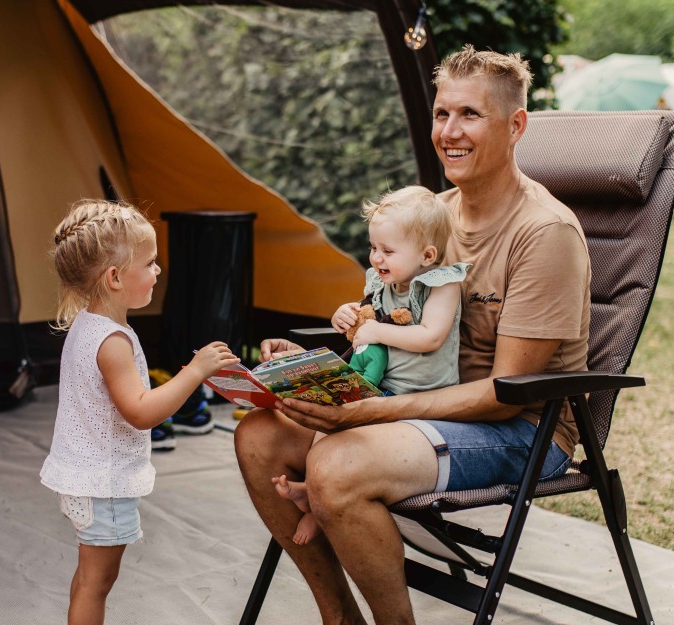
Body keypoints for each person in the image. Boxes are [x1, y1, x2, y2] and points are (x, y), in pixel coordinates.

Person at [235, 44, 590, 625]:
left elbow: (507, 396)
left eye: (470, 114)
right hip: (418, 409)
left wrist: (367, 415)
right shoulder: (429, 218)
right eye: (441, 113)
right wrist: (317, 364)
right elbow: (383, 331)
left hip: (523, 431)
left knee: (337, 468)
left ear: (516, 124)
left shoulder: (545, 233)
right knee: (258, 436)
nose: (449, 131)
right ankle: (339, 616)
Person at [39, 199, 239, 625]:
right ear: (114, 278)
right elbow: (142, 412)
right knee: (98, 583)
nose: (158, 271)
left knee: (87, 577)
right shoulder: (113, 341)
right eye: (150, 263)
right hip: (104, 482)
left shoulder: (86, 323)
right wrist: (195, 372)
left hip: (84, 476)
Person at [273, 185, 470, 545]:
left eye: (388, 251)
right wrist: (345, 314)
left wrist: (376, 329)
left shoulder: (441, 285)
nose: (377, 258)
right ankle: (311, 490)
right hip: (381, 387)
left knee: (348, 440)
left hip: (424, 399)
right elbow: (366, 316)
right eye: (373, 247)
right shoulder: (383, 281)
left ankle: (317, 503)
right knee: (329, 414)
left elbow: (430, 337)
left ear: (427, 255)